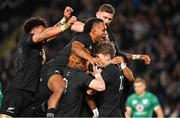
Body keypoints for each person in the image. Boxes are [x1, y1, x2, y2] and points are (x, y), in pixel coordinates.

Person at [0, 13, 77, 117]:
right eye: (43, 29)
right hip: (18, 90)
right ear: (34, 29)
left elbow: (51, 33)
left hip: (30, 95)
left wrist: (64, 19)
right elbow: (46, 34)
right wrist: (67, 25)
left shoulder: (38, 46)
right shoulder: (25, 40)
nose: (46, 31)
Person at [35, 18, 107, 117]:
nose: (105, 33)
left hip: (68, 73)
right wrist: (91, 59)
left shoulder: (93, 45)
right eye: (103, 30)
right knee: (60, 88)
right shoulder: (85, 38)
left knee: (71, 96)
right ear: (94, 31)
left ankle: (43, 107)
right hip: (55, 68)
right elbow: (75, 47)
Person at [86, 42, 133, 117]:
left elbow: (90, 92)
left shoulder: (108, 71)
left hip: (107, 113)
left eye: (98, 57)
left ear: (107, 56)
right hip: (116, 113)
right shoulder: (117, 69)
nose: (96, 59)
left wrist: (96, 76)